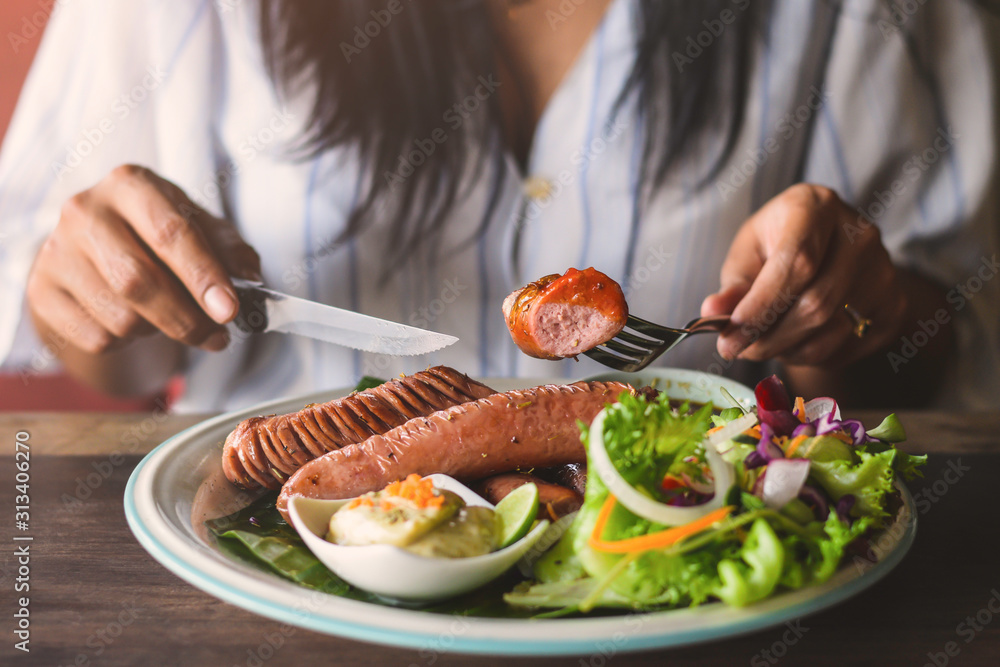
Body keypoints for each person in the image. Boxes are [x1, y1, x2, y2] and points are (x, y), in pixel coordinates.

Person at [0, 0, 996, 412]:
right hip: (268, 582)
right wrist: (95, 295)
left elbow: (952, 339)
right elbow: (113, 351)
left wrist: (858, 318)